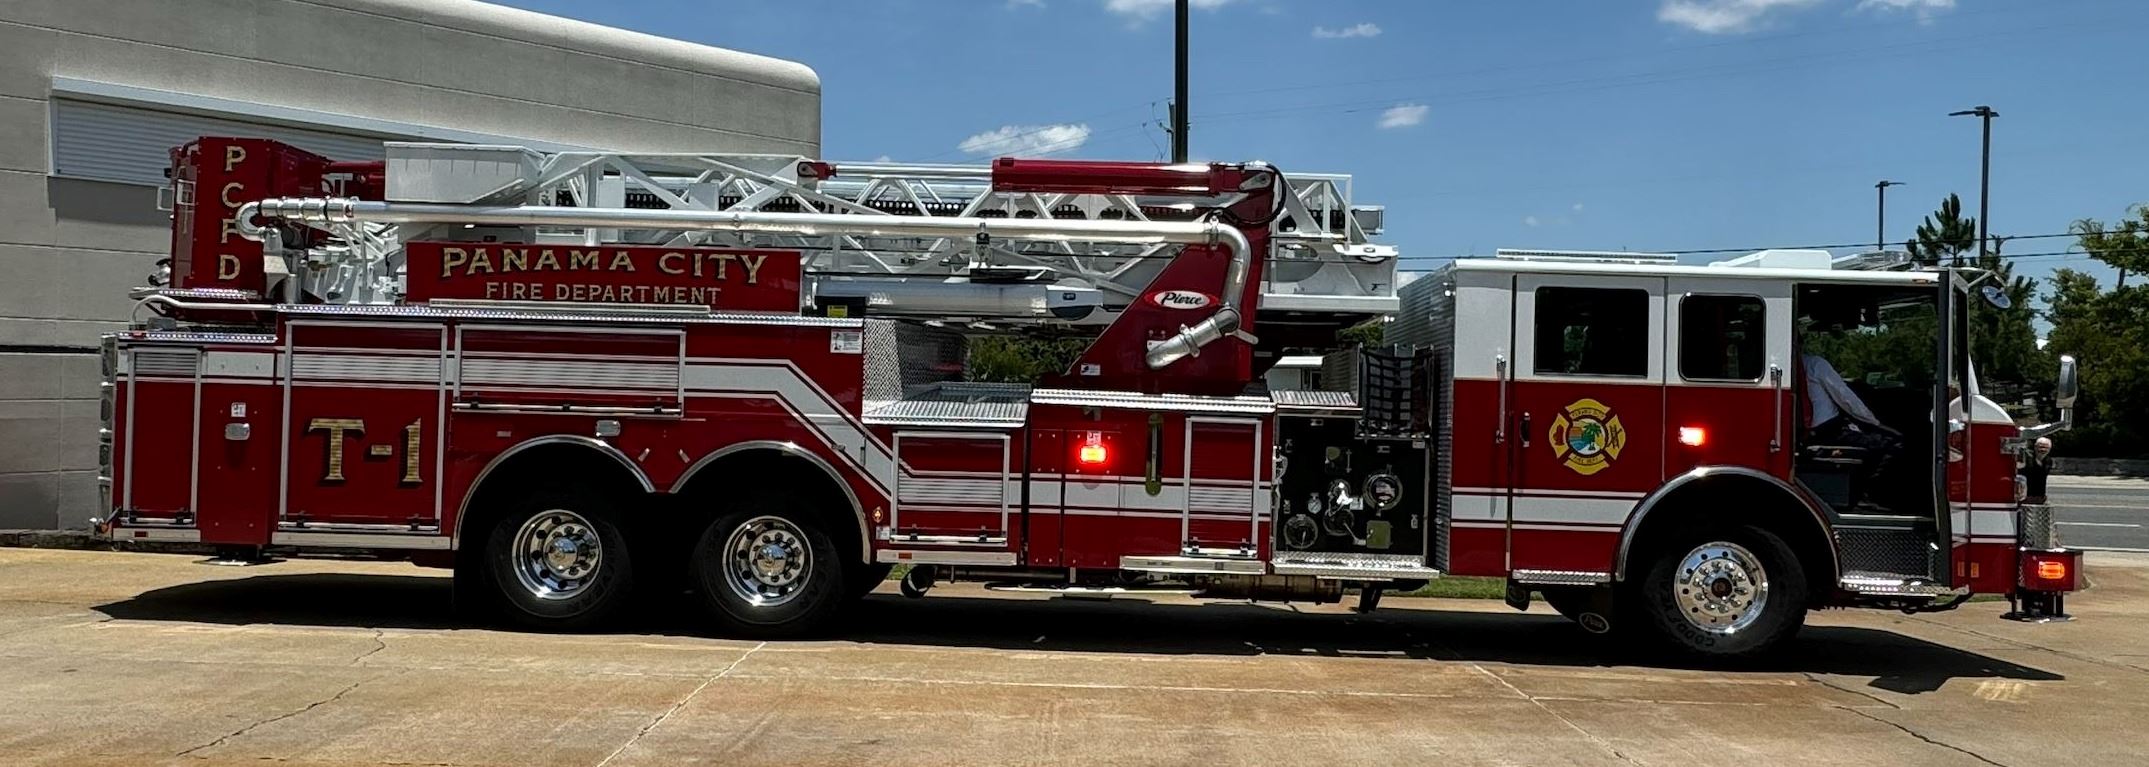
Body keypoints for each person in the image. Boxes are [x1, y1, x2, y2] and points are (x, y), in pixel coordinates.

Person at [2020, 437, 2053, 504]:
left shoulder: (2048, 460)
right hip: (2026, 496)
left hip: (2040, 496)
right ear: (2035, 447)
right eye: (2040, 447)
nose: (2042, 449)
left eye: (2046, 448)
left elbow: (2042, 475)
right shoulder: (2027, 458)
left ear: (2049, 449)